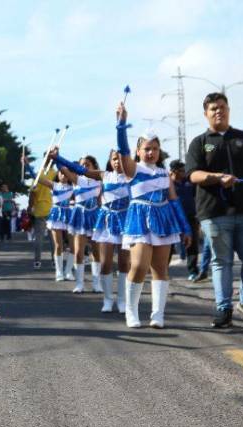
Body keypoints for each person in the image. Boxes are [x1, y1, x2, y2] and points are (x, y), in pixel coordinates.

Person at [185, 92, 243, 328]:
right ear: (205, 114)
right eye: (213, 108)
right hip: (215, 212)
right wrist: (217, 178)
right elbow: (193, 174)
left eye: (222, 106)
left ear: (228, 110)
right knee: (222, 261)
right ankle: (224, 309)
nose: (218, 111)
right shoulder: (200, 142)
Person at [115, 103, 191, 328]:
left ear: (159, 152)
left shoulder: (163, 173)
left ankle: (158, 314)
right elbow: (122, 149)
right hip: (139, 219)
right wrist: (121, 125)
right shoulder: (132, 169)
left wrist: (185, 227)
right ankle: (131, 311)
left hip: (163, 219)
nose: (151, 152)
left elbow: (174, 201)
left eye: (154, 149)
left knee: (160, 268)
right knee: (138, 266)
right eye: (146, 148)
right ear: (138, 151)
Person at [55, 149, 131, 312]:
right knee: (105, 262)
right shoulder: (104, 176)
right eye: (114, 159)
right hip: (105, 222)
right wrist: (57, 158)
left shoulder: (132, 176)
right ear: (110, 161)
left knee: (125, 263)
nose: (117, 162)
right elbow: (76, 170)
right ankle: (107, 299)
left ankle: (122, 300)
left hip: (125, 222)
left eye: (120, 159)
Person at [51, 151, 102, 293]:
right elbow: (62, 168)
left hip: (95, 216)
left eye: (87, 164)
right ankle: (80, 284)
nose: (84, 166)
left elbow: (100, 201)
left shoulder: (99, 180)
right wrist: (57, 156)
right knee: (79, 251)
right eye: (82, 165)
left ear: (93, 166)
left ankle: (96, 284)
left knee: (96, 251)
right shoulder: (76, 179)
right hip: (79, 216)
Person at [169, 160, 201, 281]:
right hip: (173, 219)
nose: (184, 173)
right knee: (169, 246)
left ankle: (193, 271)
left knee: (192, 246)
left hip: (190, 218)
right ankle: (162, 270)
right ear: (174, 171)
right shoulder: (168, 184)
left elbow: (196, 197)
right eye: (182, 171)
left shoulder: (189, 182)